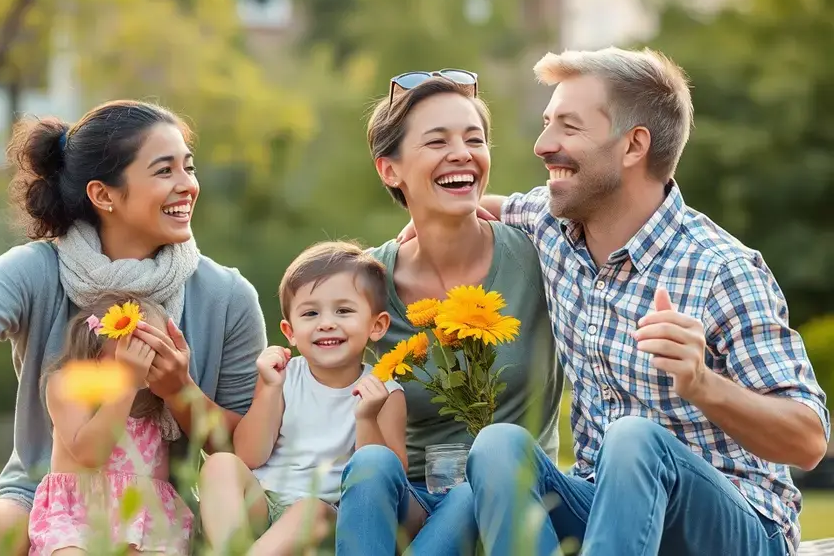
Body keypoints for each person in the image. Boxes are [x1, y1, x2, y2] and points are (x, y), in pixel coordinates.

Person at [397, 47, 831, 555]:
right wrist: (429, 225)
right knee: (497, 447)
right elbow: (486, 207)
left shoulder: (721, 270)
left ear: (633, 146)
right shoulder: (553, 226)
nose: (542, 145)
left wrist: (703, 384)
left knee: (634, 438)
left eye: (568, 127)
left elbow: (807, 440)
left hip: (738, 530)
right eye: (546, 123)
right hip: (605, 506)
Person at [0, 100, 267, 556]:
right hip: (46, 498)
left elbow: (248, 447)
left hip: (161, 512)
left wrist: (180, 391)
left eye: (188, 168)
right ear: (104, 195)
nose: (187, 185)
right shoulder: (36, 270)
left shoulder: (226, 295)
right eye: (165, 171)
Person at [335, 72, 565, 555]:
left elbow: (601, 204)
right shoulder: (367, 283)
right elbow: (316, 374)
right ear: (389, 170)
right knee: (370, 466)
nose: (462, 153)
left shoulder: (539, 253)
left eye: (474, 139)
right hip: (416, 501)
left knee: (477, 487)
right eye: (437, 141)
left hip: (517, 494)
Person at [198, 241, 407, 556]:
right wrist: (269, 389)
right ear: (290, 331)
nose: (326, 322)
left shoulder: (385, 391)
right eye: (311, 313)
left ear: (376, 325)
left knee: (310, 509)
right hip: (264, 502)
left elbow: (388, 479)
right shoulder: (284, 376)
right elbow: (249, 455)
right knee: (220, 463)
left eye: (344, 310)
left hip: (327, 514)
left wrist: (366, 417)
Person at [30, 293, 193, 555]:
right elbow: (90, 454)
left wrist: (178, 382)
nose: (152, 362)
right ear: (100, 352)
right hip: (75, 515)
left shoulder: (158, 402)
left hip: (143, 519)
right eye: (143, 349)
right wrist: (126, 382)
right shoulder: (69, 383)